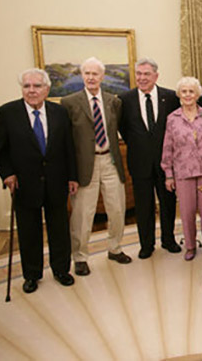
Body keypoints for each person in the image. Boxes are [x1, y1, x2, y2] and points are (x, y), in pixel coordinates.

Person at [0, 68, 78, 293]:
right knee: (29, 231)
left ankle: (61, 269)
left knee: (59, 228)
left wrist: (72, 177)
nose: (32, 91)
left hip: (56, 181)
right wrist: (7, 174)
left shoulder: (59, 112)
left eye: (37, 86)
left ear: (47, 89)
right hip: (24, 183)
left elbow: (69, 148)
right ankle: (32, 274)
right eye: (27, 86)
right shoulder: (6, 113)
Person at [61, 57, 131, 276]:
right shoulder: (69, 103)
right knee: (83, 214)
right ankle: (80, 257)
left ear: (102, 77)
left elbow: (116, 128)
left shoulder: (113, 101)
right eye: (87, 73)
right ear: (82, 76)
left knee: (118, 209)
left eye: (95, 74)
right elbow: (66, 140)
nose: (91, 77)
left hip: (110, 160)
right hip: (85, 165)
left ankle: (115, 248)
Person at [119, 58, 181, 259]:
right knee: (143, 206)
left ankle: (168, 239)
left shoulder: (170, 97)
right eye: (139, 74)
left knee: (168, 203)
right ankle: (146, 245)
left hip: (166, 163)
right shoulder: (124, 100)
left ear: (156, 76)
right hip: (139, 162)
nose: (142, 78)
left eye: (146, 74)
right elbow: (124, 129)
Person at [161, 77, 202, 261]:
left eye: (191, 91)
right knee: (187, 213)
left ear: (197, 94)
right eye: (184, 91)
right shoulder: (172, 119)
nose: (188, 95)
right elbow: (167, 148)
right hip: (183, 173)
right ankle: (190, 246)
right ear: (179, 94)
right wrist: (168, 175)